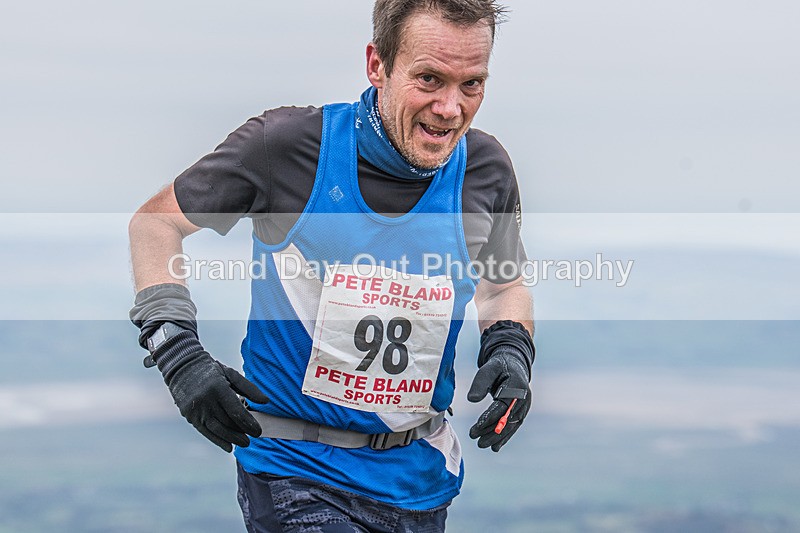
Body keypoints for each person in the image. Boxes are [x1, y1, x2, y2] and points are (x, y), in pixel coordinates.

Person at [128, 0, 534, 531]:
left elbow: (504, 286)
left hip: (420, 478)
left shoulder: (485, 169)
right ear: (377, 65)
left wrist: (512, 347)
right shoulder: (289, 147)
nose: (450, 108)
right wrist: (175, 349)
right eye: (429, 79)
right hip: (296, 472)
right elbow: (155, 224)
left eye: (472, 85)